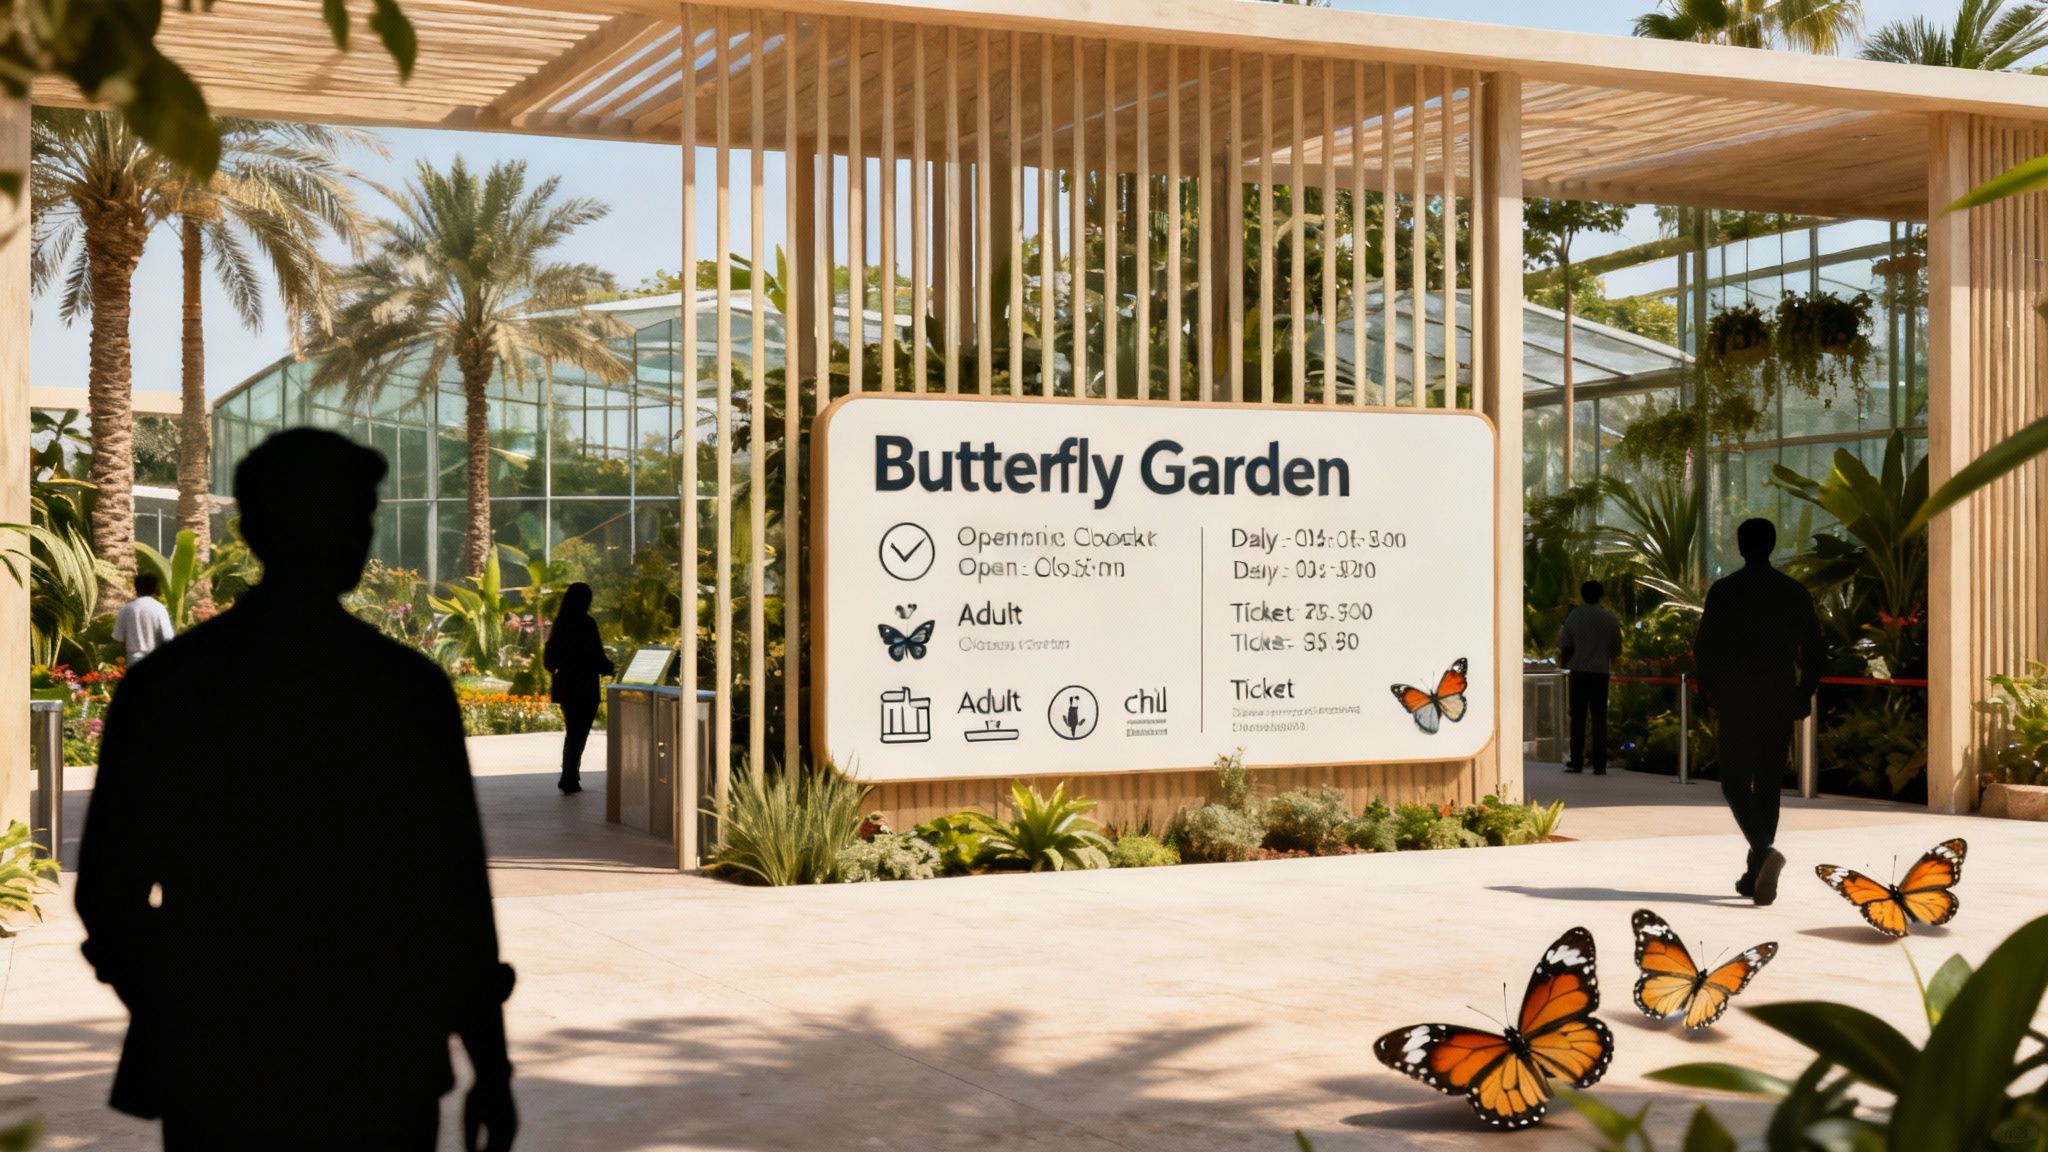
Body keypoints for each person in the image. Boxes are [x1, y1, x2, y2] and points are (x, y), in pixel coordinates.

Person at [75, 428, 518, 1151]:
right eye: (353, 514)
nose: (358, 534)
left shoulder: (168, 689)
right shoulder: (404, 691)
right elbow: (454, 896)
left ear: (251, 530)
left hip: (221, 1062)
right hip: (379, 1055)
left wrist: (178, 999)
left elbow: (106, 890)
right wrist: (491, 1067)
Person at [1694, 518, 1823, 908]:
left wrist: (1709, 690)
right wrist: (1804, 691)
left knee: (1734, 782)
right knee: (1768, 782)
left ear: (1740, 545)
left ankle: (1764, 853)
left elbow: (1706, 646)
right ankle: (1755, 874)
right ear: (1772, 544)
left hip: (1737, 697)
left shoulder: (1725, 591)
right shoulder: (1793, 592)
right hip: (1778, 696)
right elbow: (1814, 647)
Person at [542, 582, 613, 795]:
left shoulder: (561, 623)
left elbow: (550, 659)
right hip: (586, 686)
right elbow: (597, 656)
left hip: (567, 686)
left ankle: (570, 773)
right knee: (579, 733)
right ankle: (570, 775)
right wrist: (609, 667)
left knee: (573, 731)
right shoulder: (587, 624)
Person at [1557, 579, 1623, 775]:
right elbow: (1616, 649)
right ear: (1601, 595)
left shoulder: (1575, 616)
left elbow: (1566, 643)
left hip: (1578, 672)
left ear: (1583, 594)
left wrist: (1565, 663)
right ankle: (1599, 764)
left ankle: (1576, 761)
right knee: (1599, 718)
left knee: (1578, 718)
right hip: (1600, 673)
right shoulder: (1610, 618)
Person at [112, 571, 175, 664]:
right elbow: (168, 636)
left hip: (133, 660)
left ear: (136, 588)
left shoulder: (126, 609)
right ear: (154, 588)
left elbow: (118, 637)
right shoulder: (160, 608)